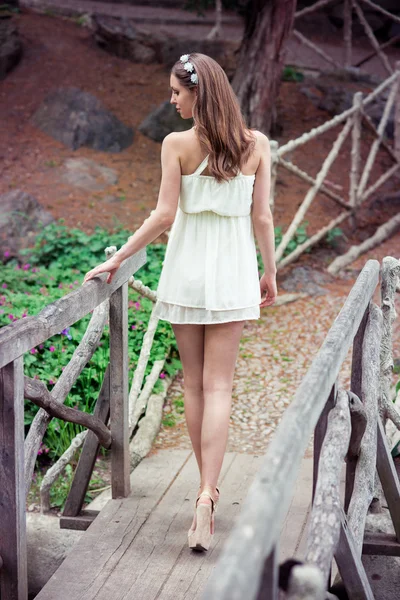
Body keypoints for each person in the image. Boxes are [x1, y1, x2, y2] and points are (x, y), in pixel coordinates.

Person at [83, 52, 277, 552]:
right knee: (220, 388)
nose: (171, 101)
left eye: (176, 92)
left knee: (193, 385)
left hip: (187, 272)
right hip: (234, 272)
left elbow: (164, 215)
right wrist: (270, 270)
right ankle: (208, 496)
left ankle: (202, 489)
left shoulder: (177, 145)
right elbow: (262, 219)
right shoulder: (256, 146)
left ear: (199, 93)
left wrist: (118, 257)